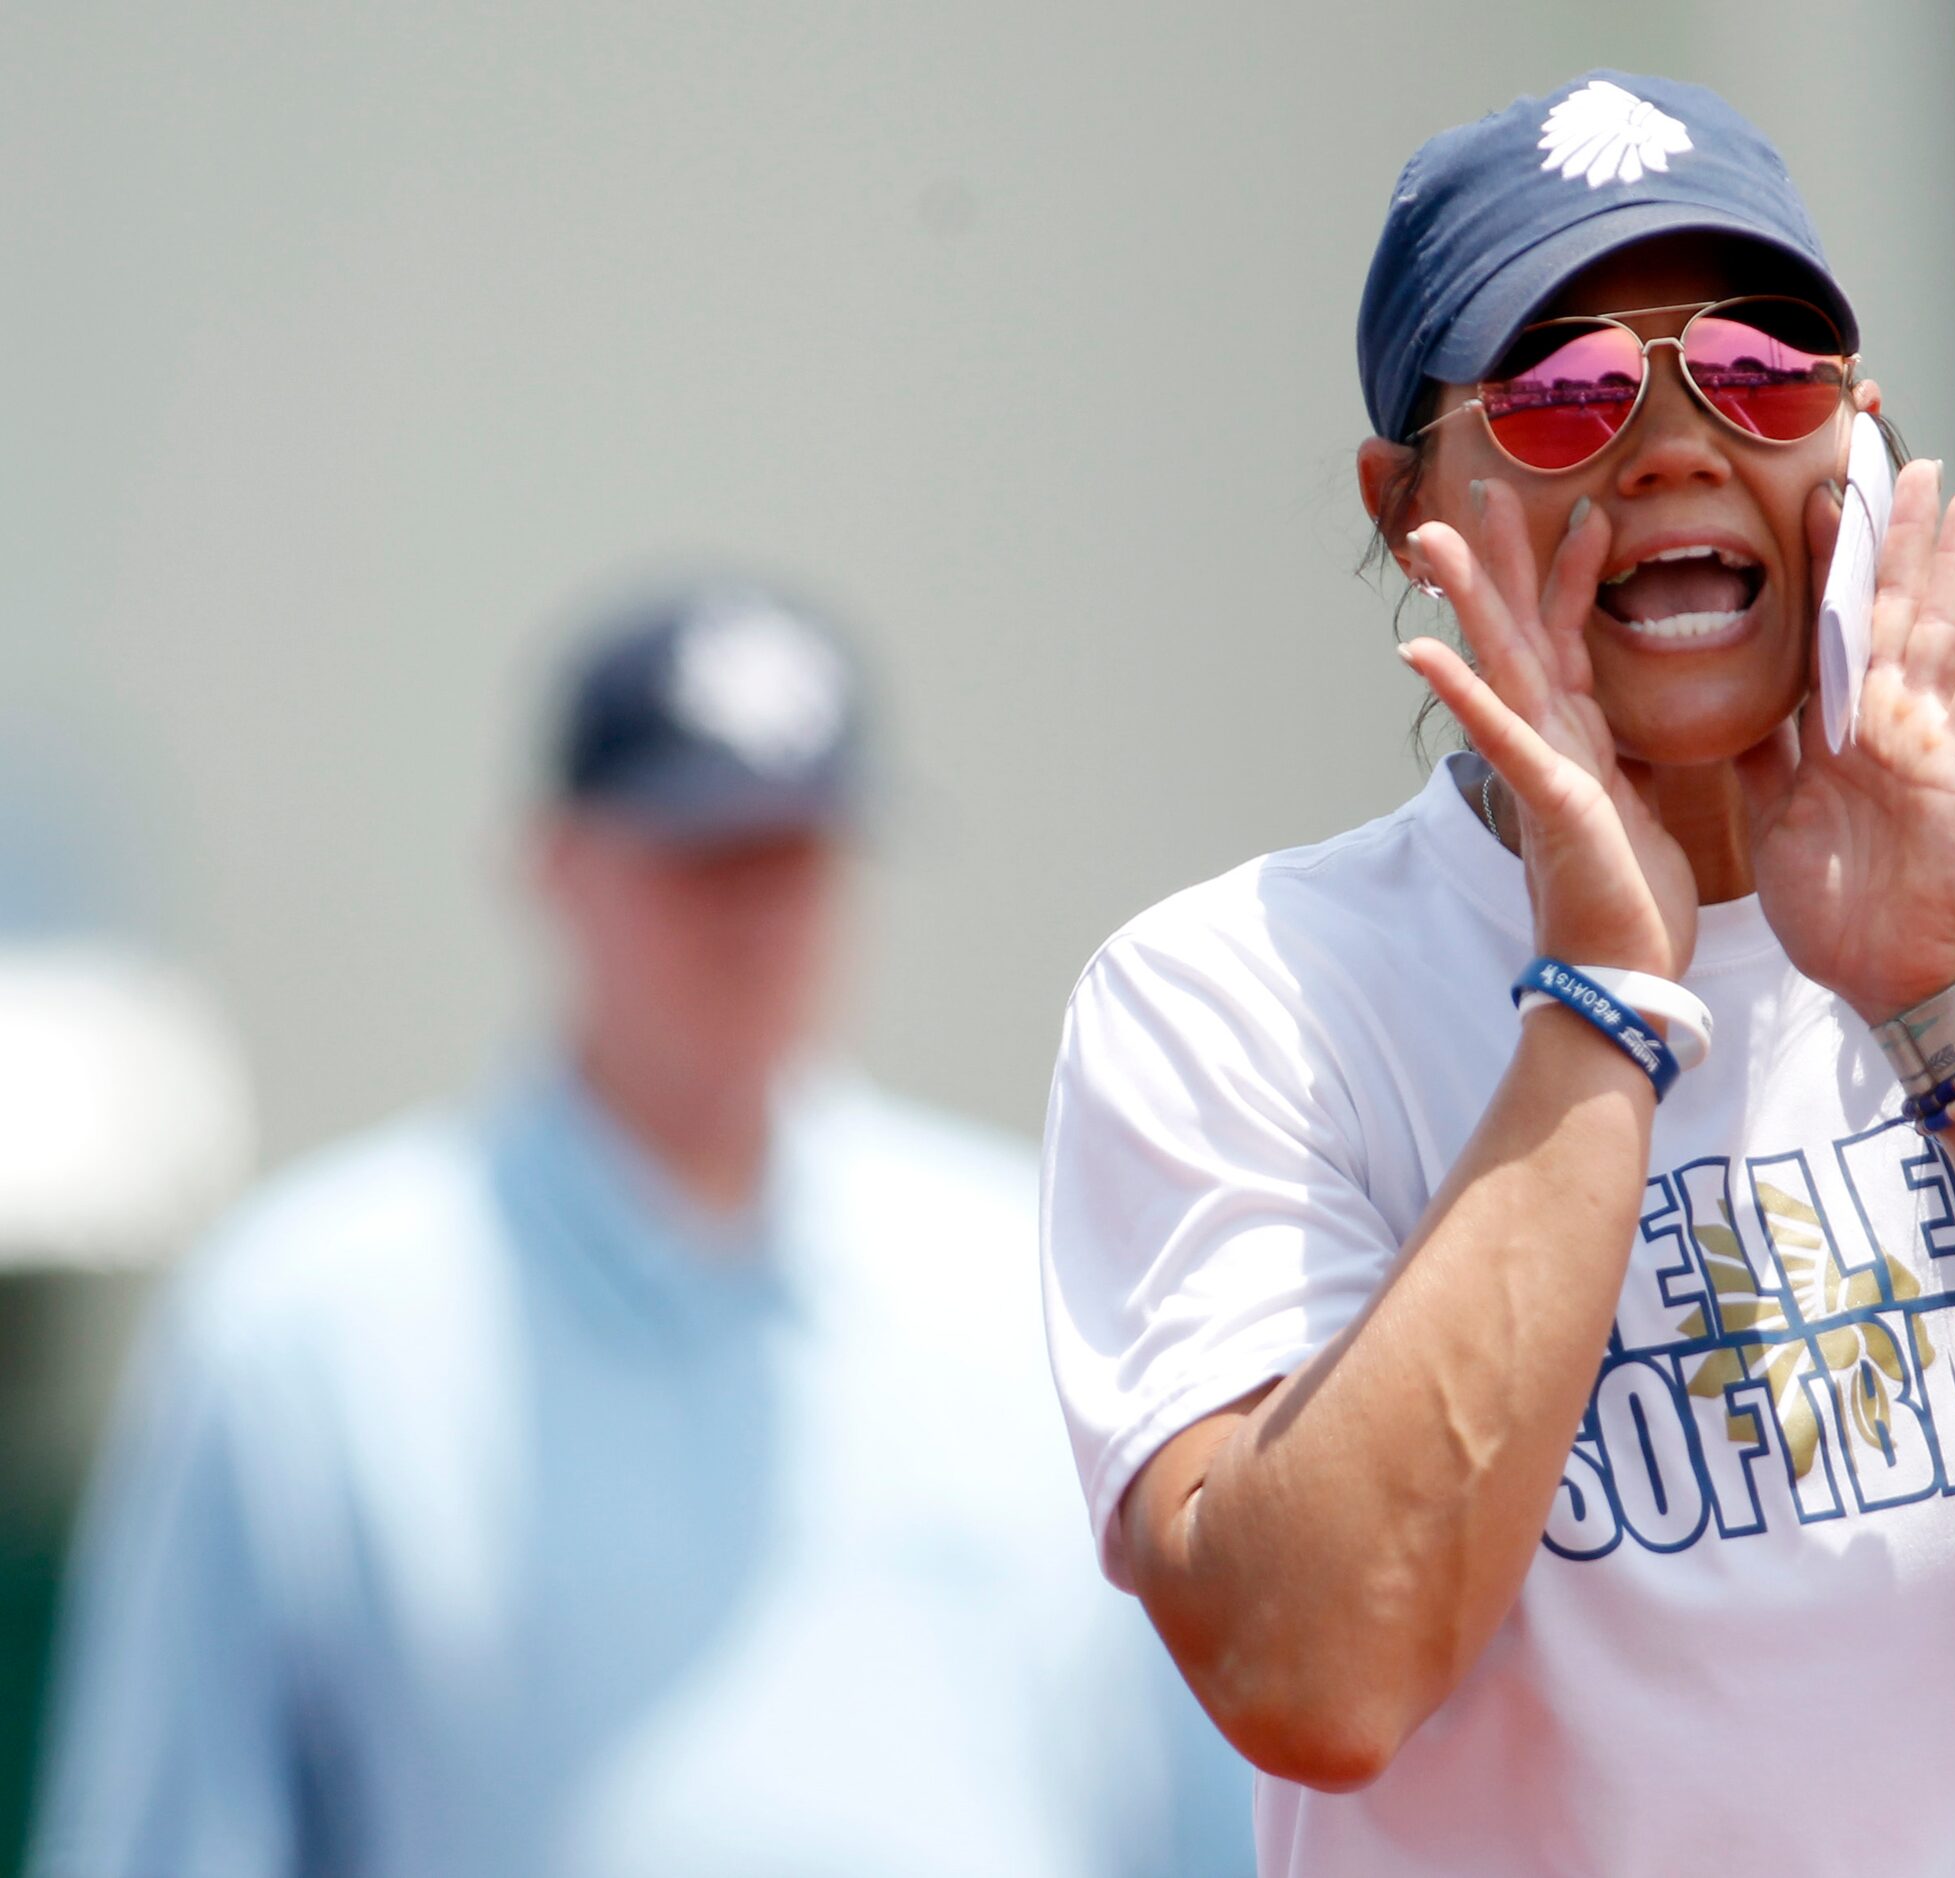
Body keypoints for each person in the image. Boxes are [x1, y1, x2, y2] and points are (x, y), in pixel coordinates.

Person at [1039, 72, 1955, 1876]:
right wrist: (1606, 1001)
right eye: (1559, 392)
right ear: (1407, 500)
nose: (1667, 444)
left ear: (1858, 439)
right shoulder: (1233, 993)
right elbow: (1314, 1669)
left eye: (1758, 365)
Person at [34, 579, 1255, 1878]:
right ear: (552, 865)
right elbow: (170, 1834)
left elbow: (1208, 1800)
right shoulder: (297, 1328)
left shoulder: (1049, 1281)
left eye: (793, 856)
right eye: (697, 855)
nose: (752, 916)